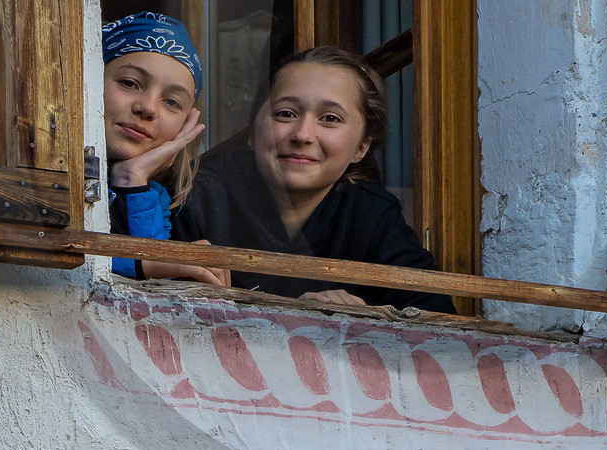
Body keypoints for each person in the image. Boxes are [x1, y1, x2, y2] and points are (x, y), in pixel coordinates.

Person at [178, 46, 452, 312]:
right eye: (285, 114)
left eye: (330, 118)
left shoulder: (370, 215)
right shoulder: (199, 199)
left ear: (362, 147)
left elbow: (438, 318)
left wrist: (367, 316)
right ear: (252, 133)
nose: (302, 135)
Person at [102, 14, 230, 286]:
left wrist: (131, 179)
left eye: (172, 102)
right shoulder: (46, 172)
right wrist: (144, 263)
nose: (147, 108)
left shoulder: (158, 199)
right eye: (129, 83)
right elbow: (53, 255)